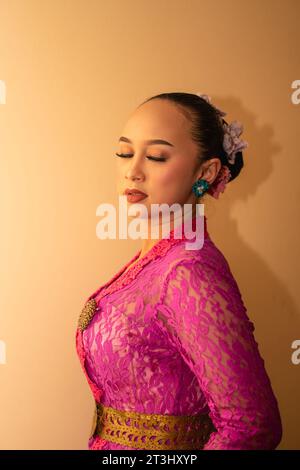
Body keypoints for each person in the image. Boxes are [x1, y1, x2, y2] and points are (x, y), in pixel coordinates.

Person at [75, 92, 282, 450]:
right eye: (125, 153)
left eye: (156, 156)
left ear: (206, 172)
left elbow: (251, 426)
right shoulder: (155, 261)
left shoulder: (188, 271)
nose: (132, 170)